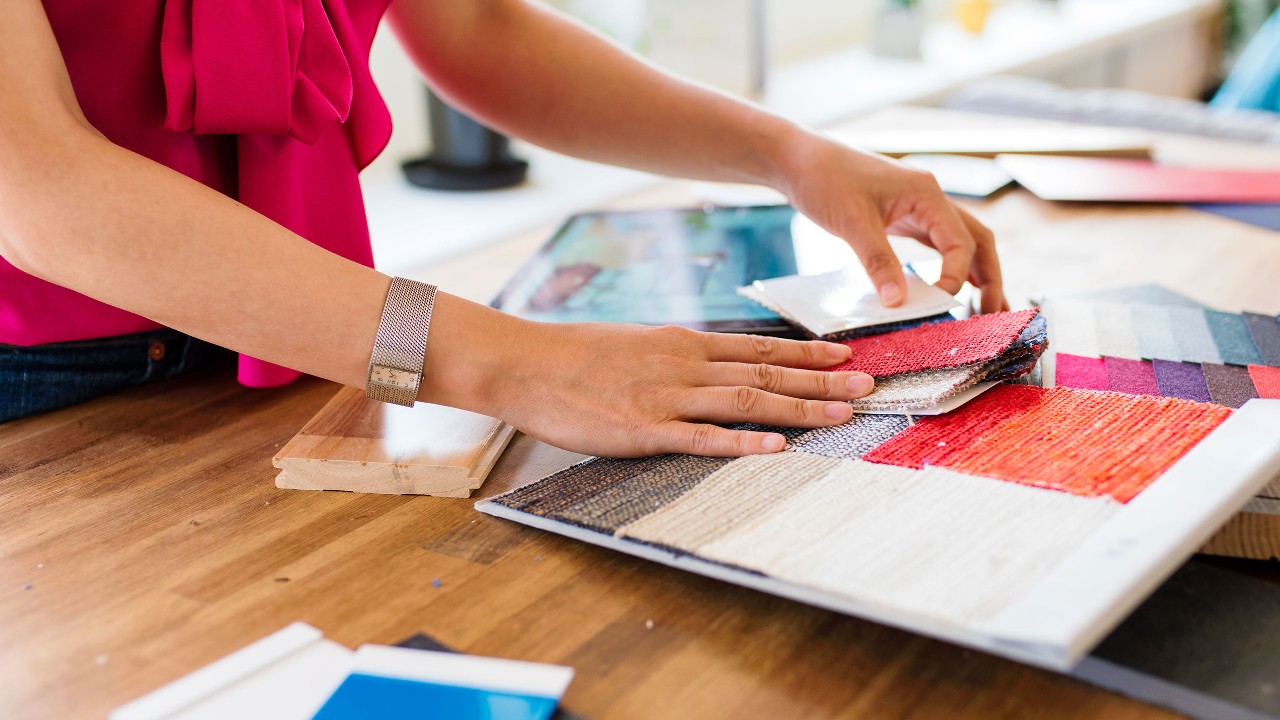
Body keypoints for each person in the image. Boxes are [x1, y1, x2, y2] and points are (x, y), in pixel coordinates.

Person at [0, 0, 1005, 456]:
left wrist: (786, 154)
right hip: (39, 396)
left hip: (300, 339)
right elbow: (37, 186)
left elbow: (475, 24)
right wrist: (509, 363)